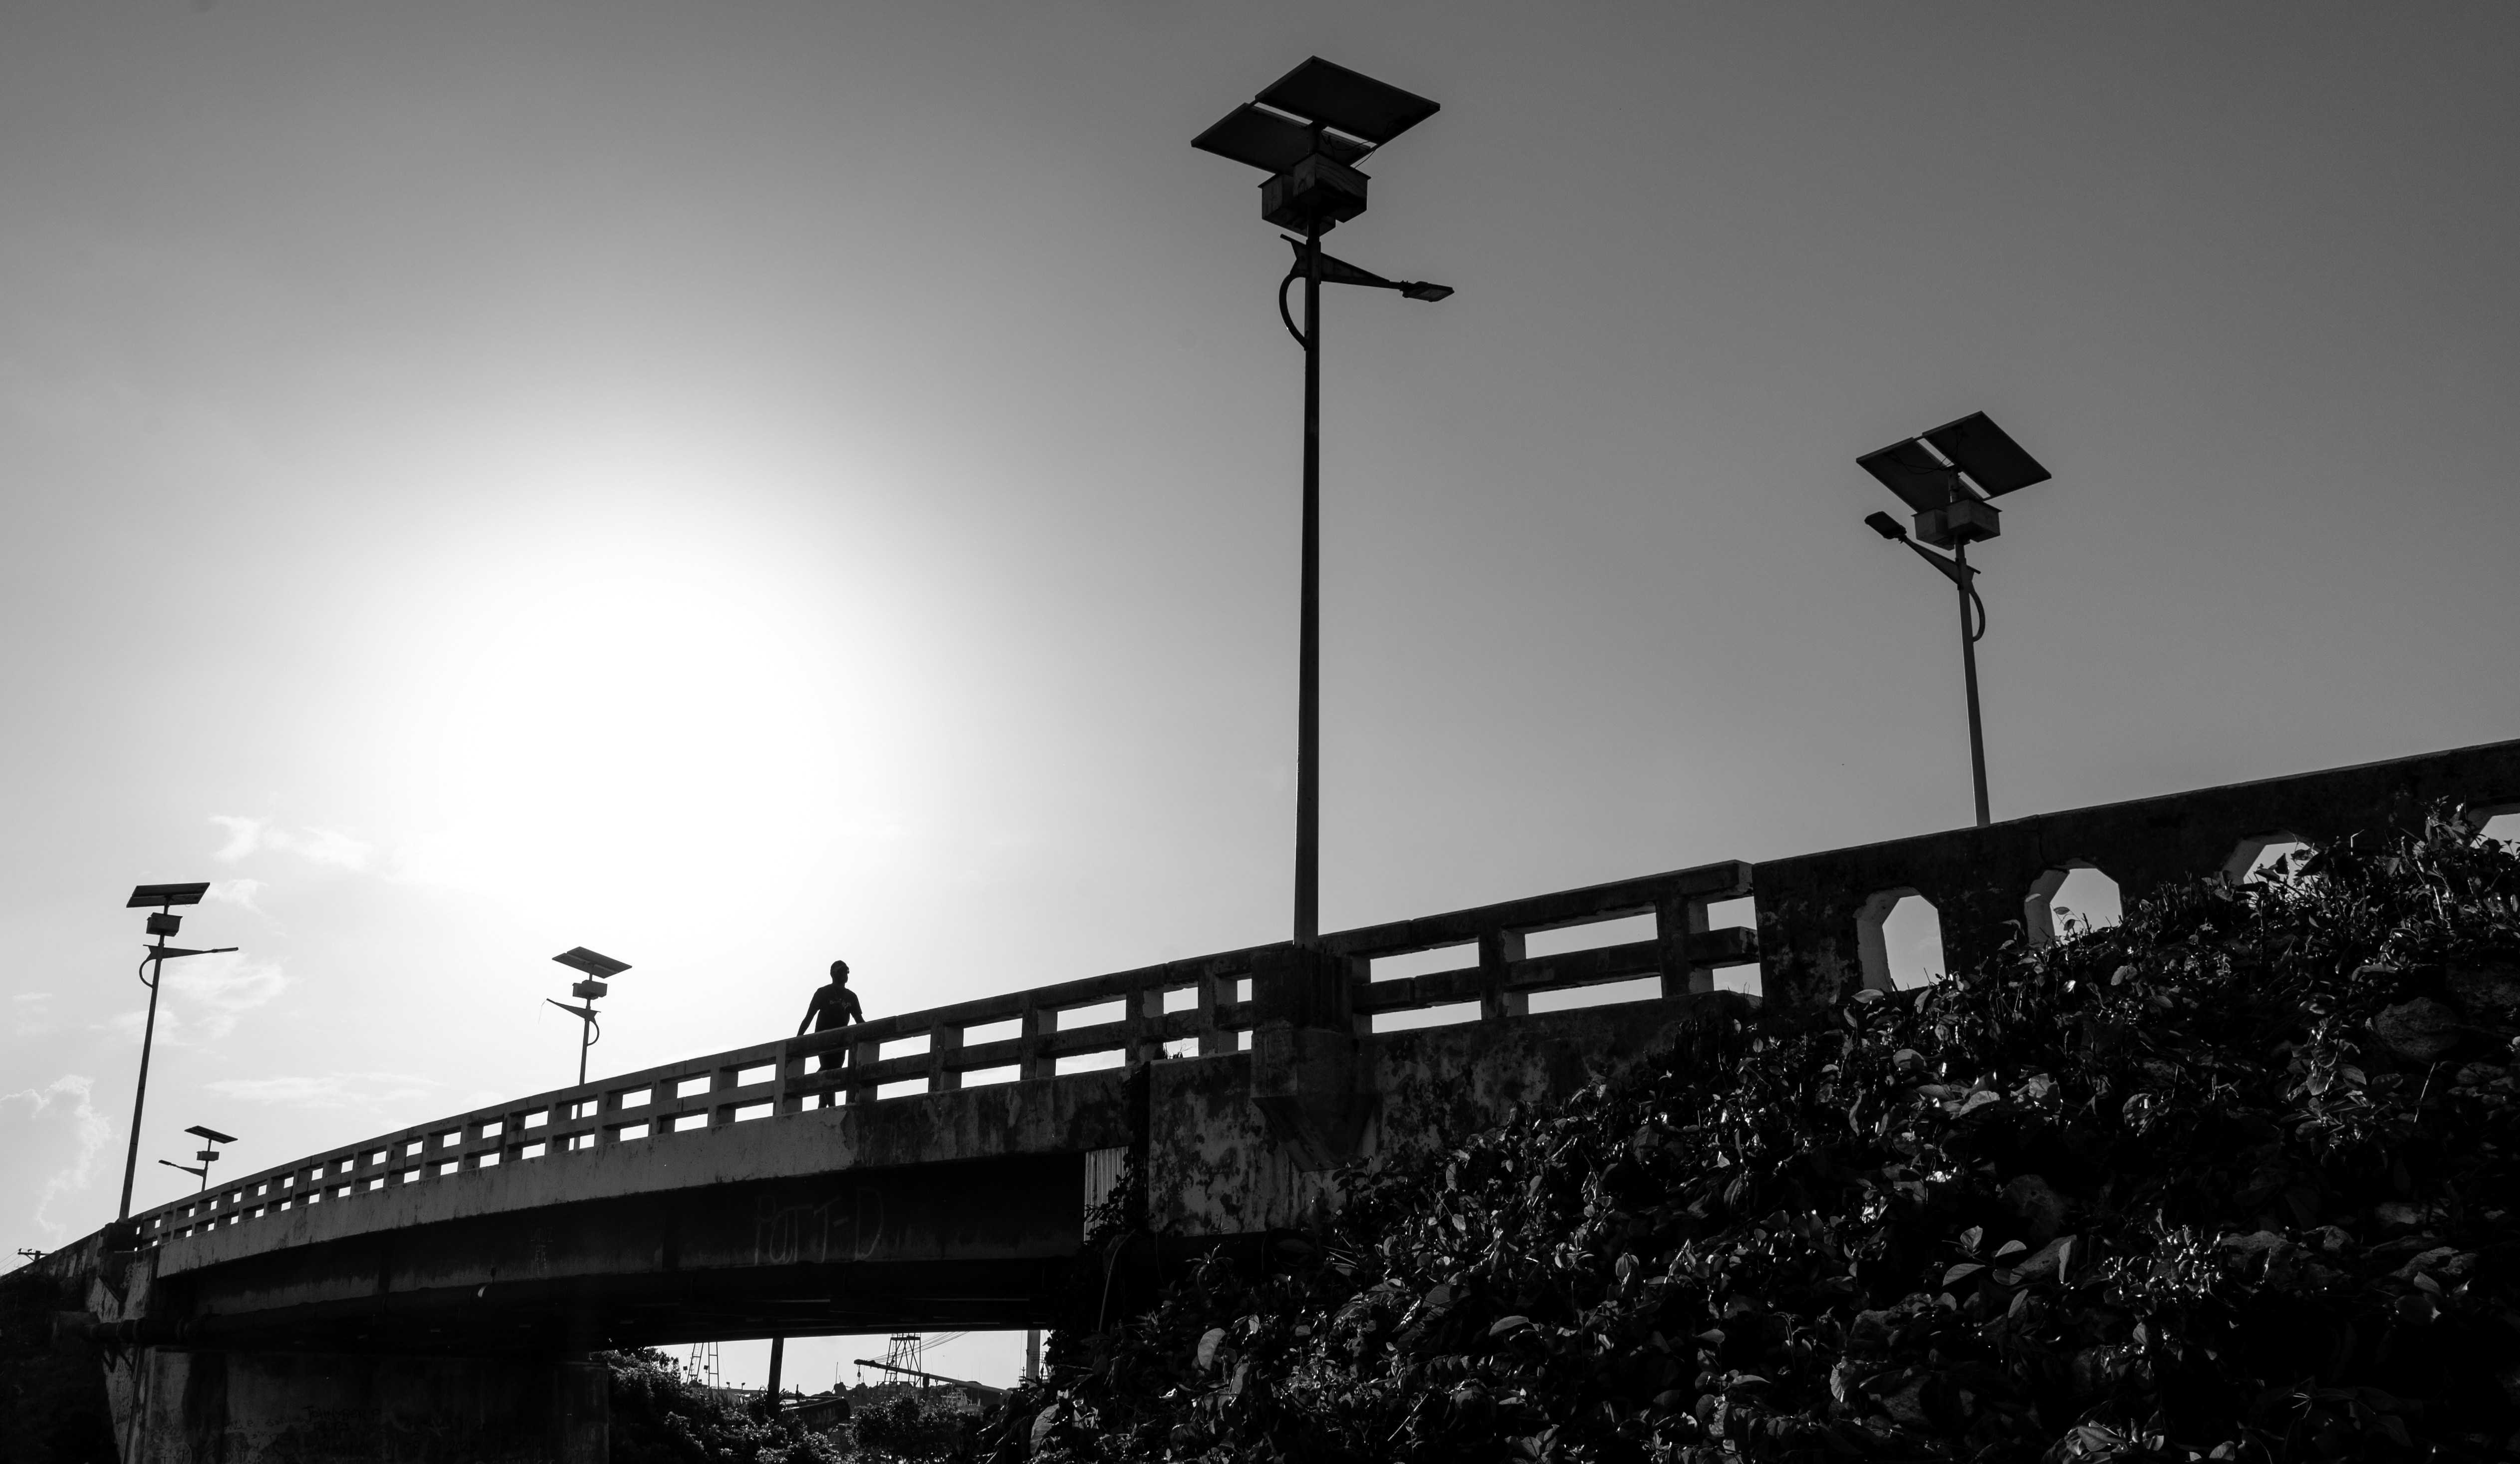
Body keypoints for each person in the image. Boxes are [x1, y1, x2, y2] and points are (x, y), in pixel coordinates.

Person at [797, 959, 865, 1037]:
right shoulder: (822, 993)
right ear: (832, 974)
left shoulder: (852, 997)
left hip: (841, 1043)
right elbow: (808, 1018)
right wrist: (798, 1039)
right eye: (840, 971)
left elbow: (860, 1021)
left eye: (846, 971)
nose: (844, 974)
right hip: (821, 1042)